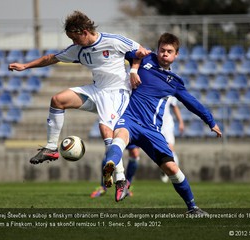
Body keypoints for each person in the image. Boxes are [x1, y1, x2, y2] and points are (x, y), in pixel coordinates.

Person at [8, 11, 150, 195]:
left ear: (84, 31)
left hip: (118, 92)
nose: (73, 43)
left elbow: (142, 52)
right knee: (58, 100)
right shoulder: (78, 50)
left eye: (74, 38)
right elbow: (51, 58)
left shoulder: (113, 41)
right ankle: (51, 148)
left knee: (106, 130)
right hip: (96, 90)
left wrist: (133, 72)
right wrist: (25, 66)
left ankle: (121, 180)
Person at [102, 32, 222, 214]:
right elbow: (122, 52)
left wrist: (210, 121)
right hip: (130, 119)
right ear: (157, 50)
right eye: (162, 50)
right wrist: (134, 67)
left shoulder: (174, 82)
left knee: (172, 168)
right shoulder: (145, 58)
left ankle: (192, 208)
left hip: (152, 130)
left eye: (169, 51)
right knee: (119, 136)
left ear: (176, 55)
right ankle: (114, 172)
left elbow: (191, 103)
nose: (165, 54)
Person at [90, 97, 184, 197]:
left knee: (134, 154)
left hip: (132, 120)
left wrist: (180, 121)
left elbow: (174, 105)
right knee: (110, 153)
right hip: (118, 118)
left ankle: (126, 185)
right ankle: (103, 187)